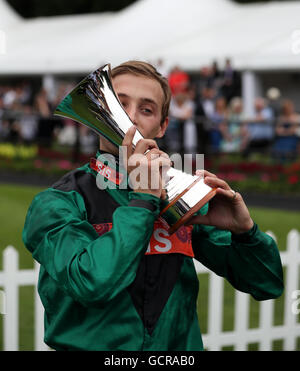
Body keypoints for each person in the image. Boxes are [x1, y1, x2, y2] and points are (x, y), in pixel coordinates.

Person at [23, 60, 284, 351]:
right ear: (96, 115)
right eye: (119, 104)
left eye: (146, 109)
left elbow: (266, 284)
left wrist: (245, 233)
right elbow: (92, 284)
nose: (131, 118)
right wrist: (144, 199)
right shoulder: (55, 203)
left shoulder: (180, 193)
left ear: (162, 127)